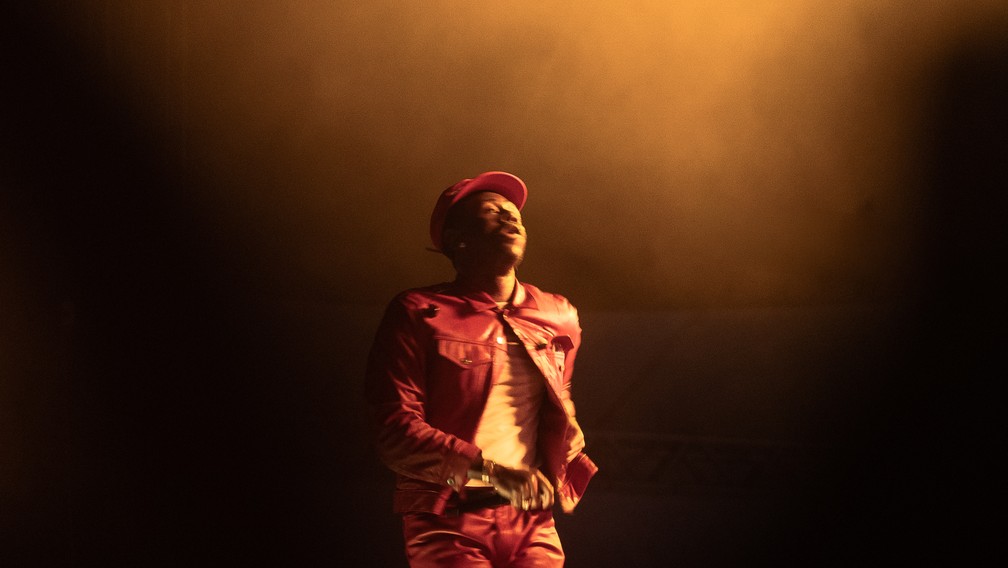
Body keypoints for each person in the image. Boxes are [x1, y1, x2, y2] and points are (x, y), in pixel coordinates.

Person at [365, 171, 597, 567]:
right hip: (447, 517)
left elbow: (559, 396)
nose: (511, 218)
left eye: (515, 214)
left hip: (533, 521)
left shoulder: (559, 315)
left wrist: (568, 434)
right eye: (493, 212)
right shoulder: (418, 313)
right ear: (458, 238)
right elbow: (395, 430)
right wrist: (494, 473)